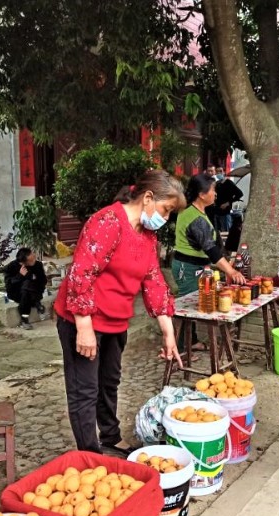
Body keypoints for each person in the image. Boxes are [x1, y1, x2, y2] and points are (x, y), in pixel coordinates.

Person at [53, 170, 185, 455]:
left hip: (115, 321)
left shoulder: (147, 236)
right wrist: (84, 328)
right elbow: (82, 272)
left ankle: (110, 435)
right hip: (83, 318)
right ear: (148, 197)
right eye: (166, 209)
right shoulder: (108, 222)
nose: (166, 218)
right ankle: (90, 455)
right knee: (84, 390)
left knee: (109, 382)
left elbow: (153, 281)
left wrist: (168, 332)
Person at [172, 173, 246, 352]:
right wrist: (231, 272)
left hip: (195, 266)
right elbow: (211, 250)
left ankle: (191, 341)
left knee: (192, 303)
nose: (216, 194)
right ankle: (181, 348)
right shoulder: (195, 217)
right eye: (213, 190)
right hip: (187, 267)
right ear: (201, 194)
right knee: (187, 307)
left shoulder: (196, 211)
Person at [3, 247, 48, 330]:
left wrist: (34, 278)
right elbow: (9, 285)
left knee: (27, 288)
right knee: (25, 290)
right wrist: (20, 276)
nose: (34, 260)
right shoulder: (11, 267)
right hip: (17, 293)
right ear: (24, 263)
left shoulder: (38, 265)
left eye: (33, 257)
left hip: (35, 291)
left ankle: (24, 319)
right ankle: (38, 305)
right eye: (31, 260)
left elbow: (43, 281)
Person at [214, 167, 243, 232]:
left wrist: (228, 203)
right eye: (217, 172)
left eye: (220, 171)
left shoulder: (229, 183)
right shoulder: (217, 184)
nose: (219, 173)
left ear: (224, 172)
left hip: (225, 213)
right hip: (216, 212)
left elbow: (240, 194)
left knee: (226, 232)